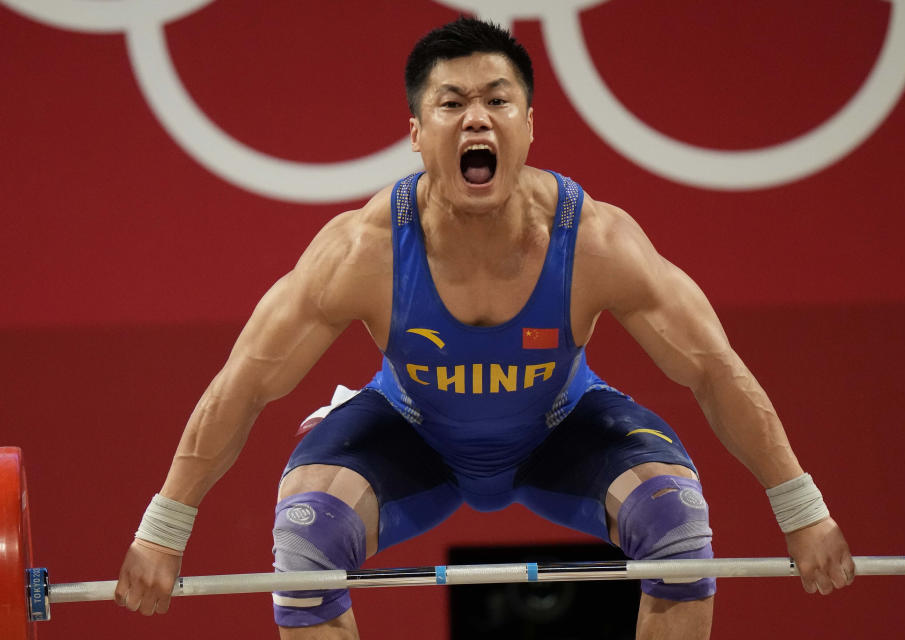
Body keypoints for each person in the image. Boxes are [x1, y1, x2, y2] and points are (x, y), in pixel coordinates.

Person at [115, 17, 855, 639]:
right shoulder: (362, 251)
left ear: (529, 126)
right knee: (304, 534)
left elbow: (712, 369)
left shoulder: (596, 241)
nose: (477, 117)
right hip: (410, 435)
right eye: (452, 103)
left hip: (560, 430)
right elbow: (244, 384)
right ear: (415, 132)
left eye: (499, 100)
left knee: (679, 525)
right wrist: (164, 529)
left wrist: (802, 509)